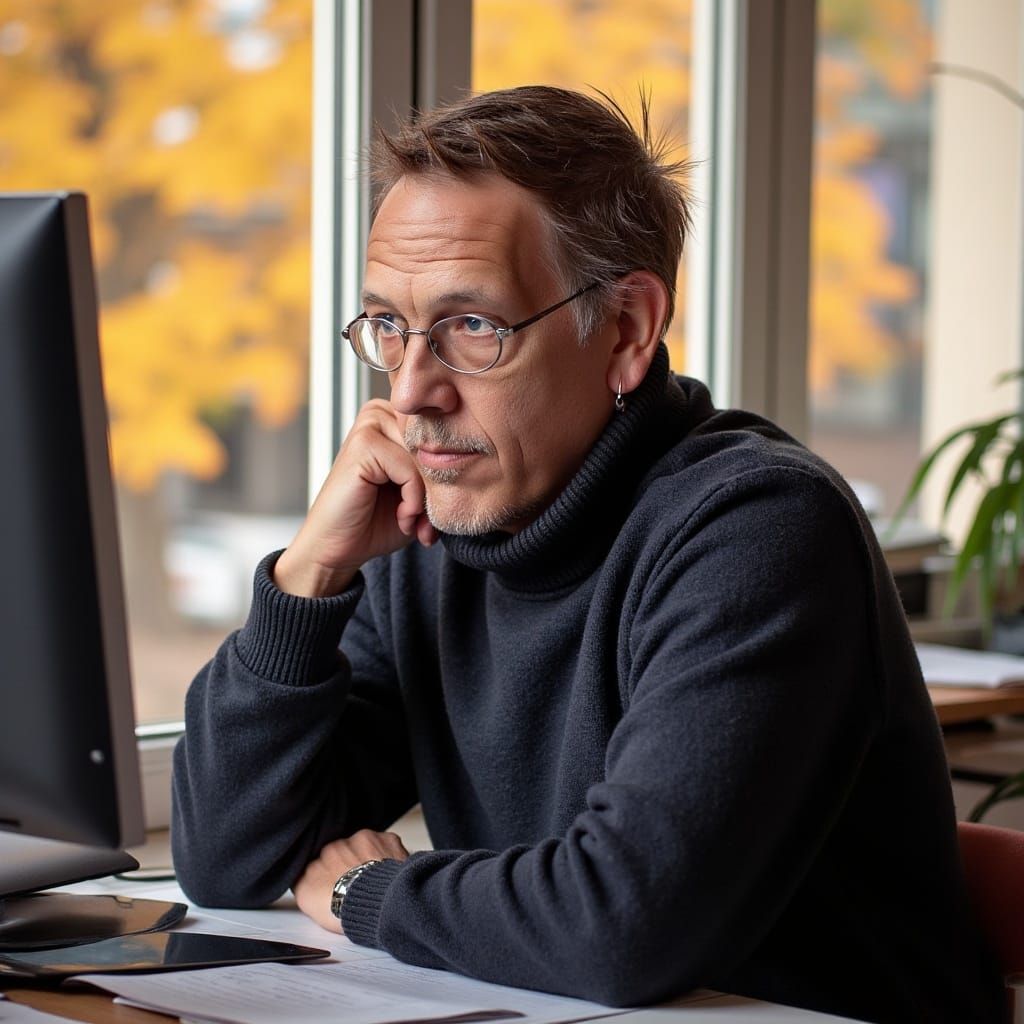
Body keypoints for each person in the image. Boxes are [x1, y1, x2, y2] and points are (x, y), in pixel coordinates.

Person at [172, 85, 1003, 1022]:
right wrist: (307, 581)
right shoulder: (439, 521)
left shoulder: (758, 526)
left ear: (625, 331)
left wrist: (374, 897)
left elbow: (622, 926)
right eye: (391, 327)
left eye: (472, 327)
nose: (410, 391)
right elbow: (229, 858)